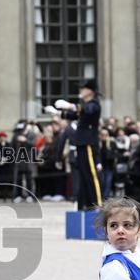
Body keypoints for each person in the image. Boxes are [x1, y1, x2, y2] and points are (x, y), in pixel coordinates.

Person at [50, 79, 103, 210]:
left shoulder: (94, 104)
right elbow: (74, 115)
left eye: (83, 88)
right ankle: (84, 204)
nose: (81, 90)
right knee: (83, 175)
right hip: (81, 143)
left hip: (88, 143)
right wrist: (56, 112)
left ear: (90, 91)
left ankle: (96, 203)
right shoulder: (84, 106)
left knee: (91, 174)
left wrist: (69, 105)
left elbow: (86, 110)